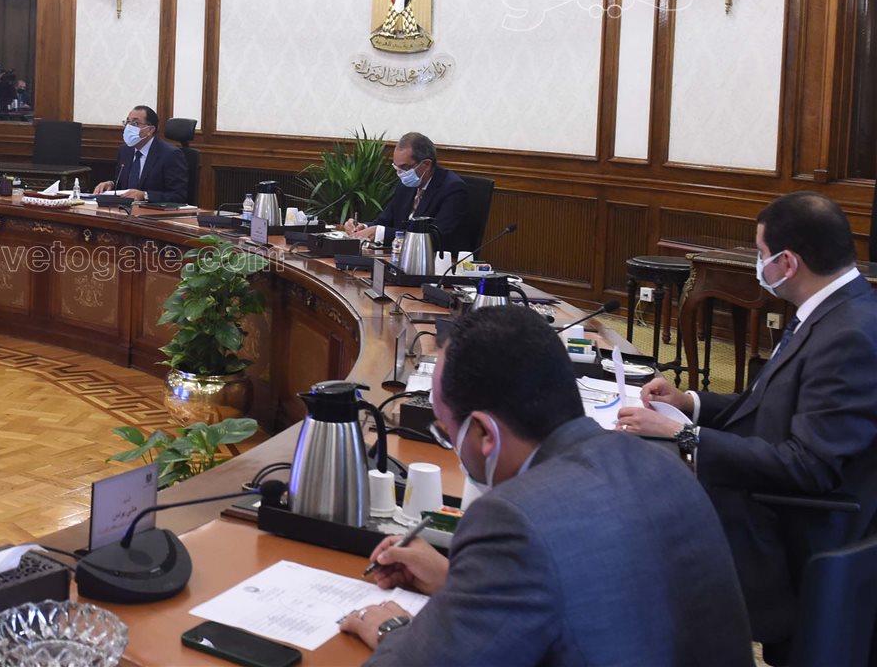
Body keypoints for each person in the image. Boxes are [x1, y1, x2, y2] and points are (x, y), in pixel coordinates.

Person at [340, 305, 753, 665]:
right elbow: (593, 590)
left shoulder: (511, 519)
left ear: (484, 433)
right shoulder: (665, 465)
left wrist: (393, 630)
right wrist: (458, 583)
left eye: (447, 432)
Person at [616, 190, 877, 651]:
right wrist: (690, 402)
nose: (760, 265)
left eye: (761, 254)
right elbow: (772, 401)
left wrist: (685, 434)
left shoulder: (850, 335)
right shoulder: (834, 309)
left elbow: (809, 467)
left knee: (640, 527)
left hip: (791, 532)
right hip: (771, 496)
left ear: (788, 263)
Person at [342, 132, 467, 247]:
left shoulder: (452, 189)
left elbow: (434, 237)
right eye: (397, 167)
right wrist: (363, 227)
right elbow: (384, 221)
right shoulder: (405, 186)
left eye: (405, 167)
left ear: (426, 164)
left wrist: (379, 233)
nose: (400, 174)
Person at [92, 105, 188, 204]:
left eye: (135, 123)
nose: (128, 127)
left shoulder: (170, 155)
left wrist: (145, 195)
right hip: (124, 209)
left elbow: (178, 195)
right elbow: (122, 184)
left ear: (150, 130)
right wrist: (111, 184)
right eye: (127, 122)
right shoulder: (125, 150)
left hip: (152, 211)